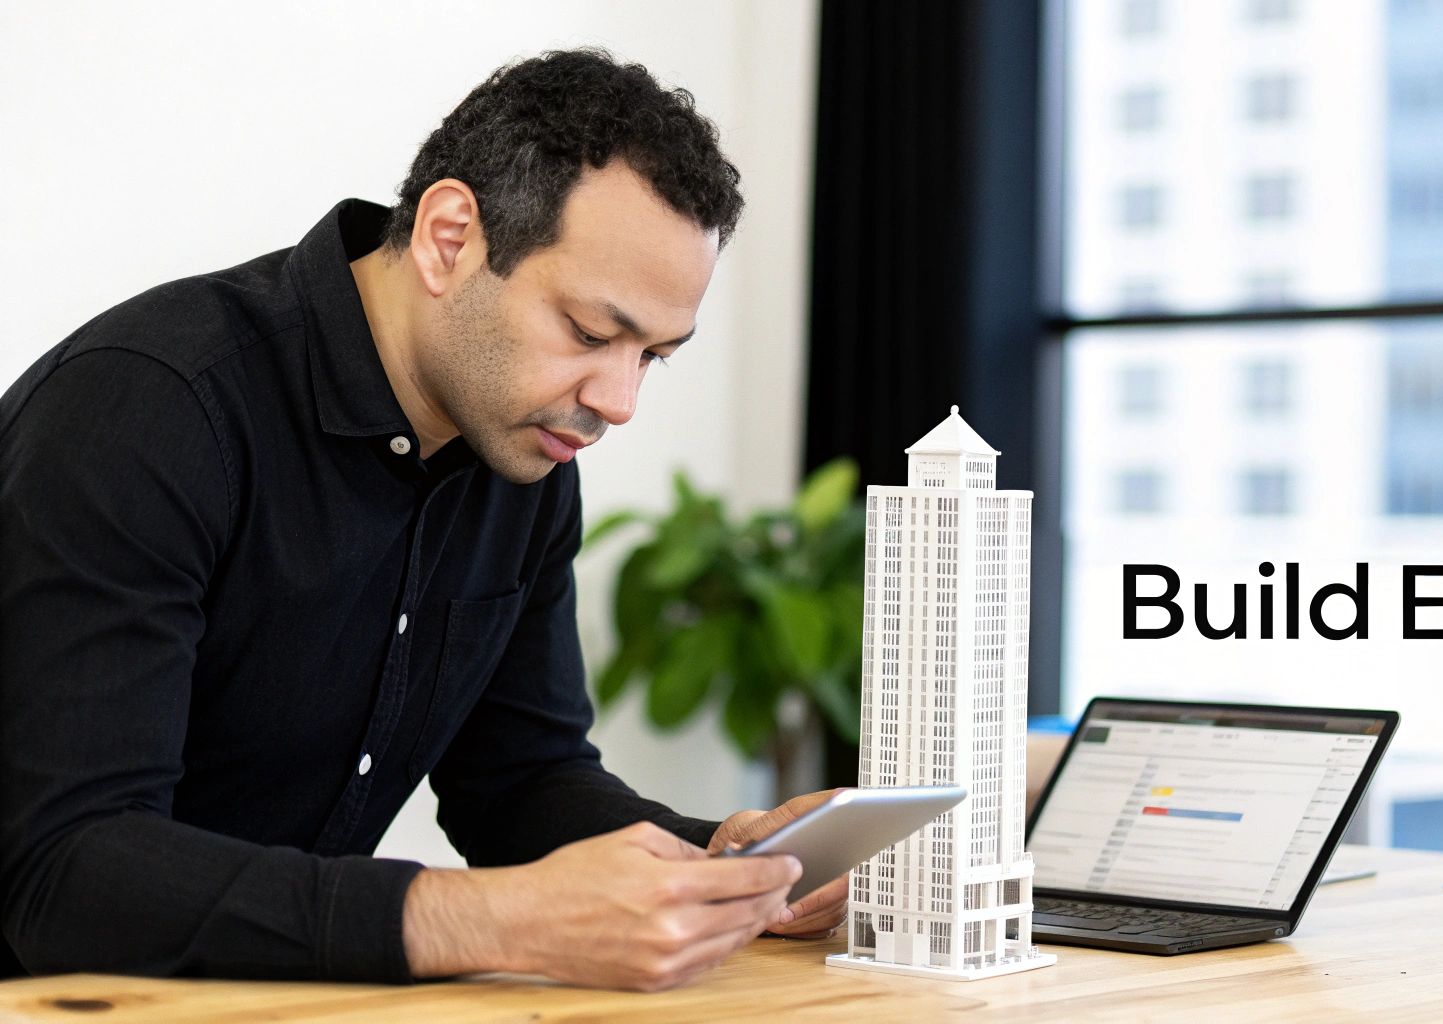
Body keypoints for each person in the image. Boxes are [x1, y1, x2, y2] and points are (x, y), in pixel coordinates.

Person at [0, 48, 844, 992]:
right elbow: (64, 874)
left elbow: (519, 782)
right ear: (450, 239)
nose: (617, 401)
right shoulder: (149, 412)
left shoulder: (521, 452)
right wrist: (488, 921)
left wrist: (724, 866)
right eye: (592, 333)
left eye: (654, 356)